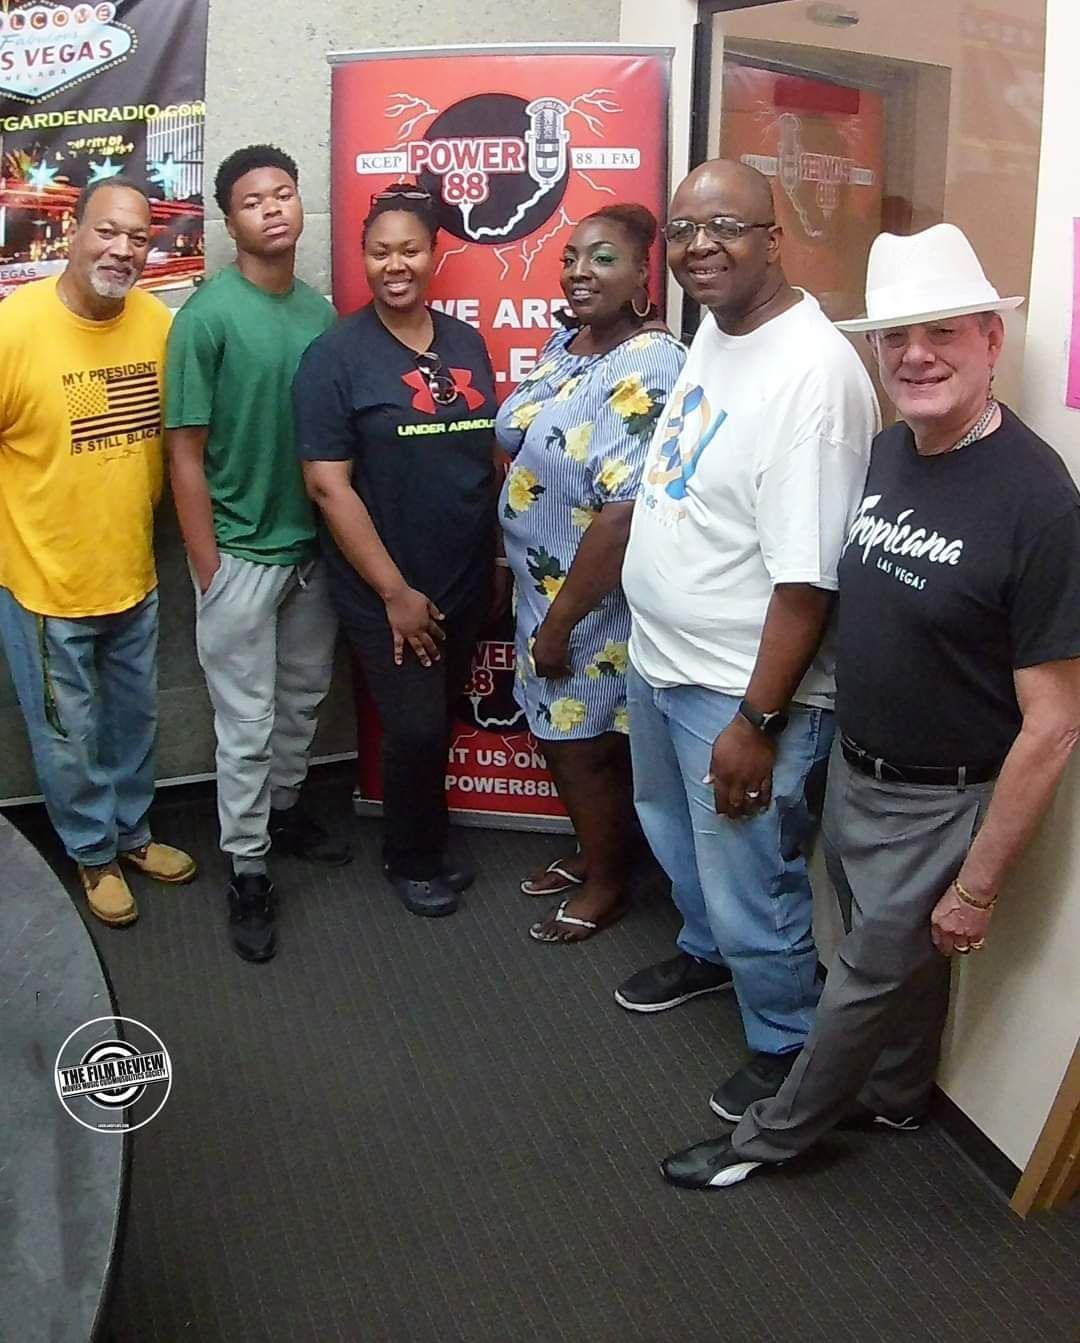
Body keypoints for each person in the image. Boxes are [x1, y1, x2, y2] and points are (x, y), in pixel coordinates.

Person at [661, 223, 1080, 1190]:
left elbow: (1055, 722)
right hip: (860, 768)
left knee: (853, 985)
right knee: (889, 961)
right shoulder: (893, 454)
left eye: (941, 332)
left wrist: (977, 882)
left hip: (945, 799)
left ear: (990, 340)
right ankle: (897, 1093)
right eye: (895, 338)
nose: (916, 355)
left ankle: (767, 1139)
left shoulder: (1038, 501)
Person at [618, 160, 879, 1119]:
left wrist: (756, 720)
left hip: (737, 688)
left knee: (753, 879)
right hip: (664, 660)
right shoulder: (721, 329)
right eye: (684, 229)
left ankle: (787, 1044)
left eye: (724, 227)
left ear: (776, 238)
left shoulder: (812, 376)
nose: (699, 247)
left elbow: (808, 581)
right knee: (677, 836)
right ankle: (705, 955)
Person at [293, 184, 499, 918]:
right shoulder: (335, 357)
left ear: (433, 253)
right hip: (386, 584)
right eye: (380, 251)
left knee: (438, 713)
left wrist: (495, 561)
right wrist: (393, 592)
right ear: (363, 259)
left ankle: (429, 837)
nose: (395, 264)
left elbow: (485, 458)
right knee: (412, 723)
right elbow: (327, 487)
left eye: (409, 248)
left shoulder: (465, 341)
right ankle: (410, 856)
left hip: (465, 575)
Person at [166, 144, 349, 965]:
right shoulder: (206, 316)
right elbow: (183, 451)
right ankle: (247, 868)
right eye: (253, 200)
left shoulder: (320, 314)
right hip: (239, 556)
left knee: (303, 700)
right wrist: (209, 567)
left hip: (311, 552)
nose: (273, 208)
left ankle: (281, 813)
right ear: (229, 220)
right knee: (244, 724)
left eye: (285, 193)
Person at [0, 178, 196, 926]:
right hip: (44, 587)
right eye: (107, 232)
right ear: (73, 232)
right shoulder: (15, 329)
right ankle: (92, 854)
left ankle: (135, 833)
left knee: (133, 721)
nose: (122, 249)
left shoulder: (155, 323)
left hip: (132, 575)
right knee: (67, 738)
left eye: (138, 238)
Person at [496, 204, 685, 942]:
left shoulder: (652, 363)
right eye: (572, 256)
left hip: (590, 600)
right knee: (564, 736)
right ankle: (593, 851)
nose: (580, 270)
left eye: (603, 259)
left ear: (645, 274)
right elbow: (518, 441)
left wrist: (561, 620)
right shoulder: (567, 343)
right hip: (540, 585)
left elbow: (623, 510)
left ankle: (608, 883)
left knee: (584, 745)